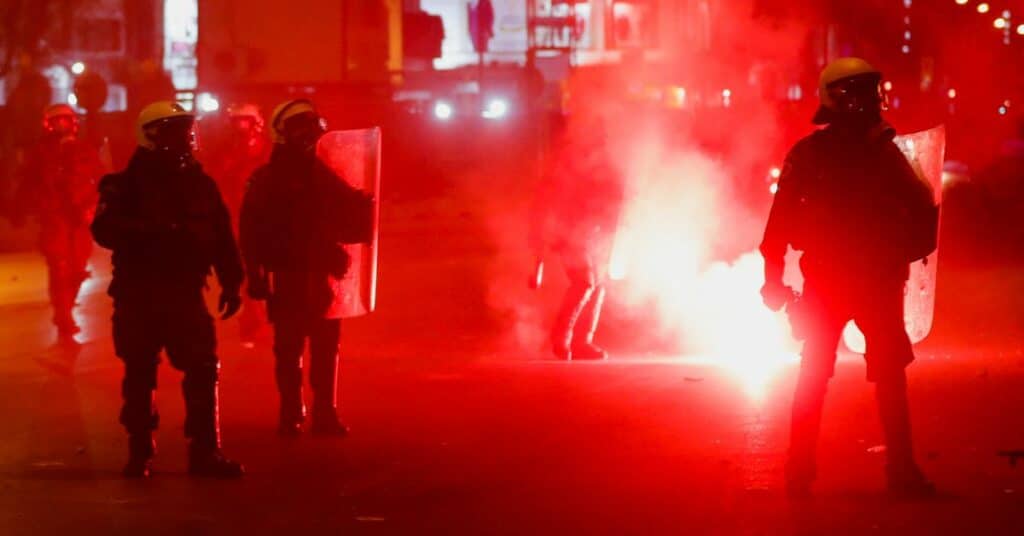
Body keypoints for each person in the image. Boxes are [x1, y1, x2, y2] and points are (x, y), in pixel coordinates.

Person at [760, 57, 939, 498]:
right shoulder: (852, 153)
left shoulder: (847, 152)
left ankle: (808, 473)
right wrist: (772, 278)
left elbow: (919, 207)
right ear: (837, 100)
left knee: (859, 374)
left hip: (858, 279)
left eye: (868, 92)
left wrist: (774, 280)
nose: (866, 102)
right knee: (841, 374)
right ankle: (875, 472)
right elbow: (779, 223)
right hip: (850, 279)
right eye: (856, 93)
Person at [91, 101, 245, 478]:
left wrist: (232, 279)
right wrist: (154, 231)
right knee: (140, 371)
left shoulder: (200, 183)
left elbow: (221, 234)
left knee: (203, 367)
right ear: (150, 135)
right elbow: (104, 230)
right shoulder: (124, 184)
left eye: (186, 129)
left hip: (184, 291)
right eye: (173, 130)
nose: (185, 138)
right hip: (139, 292)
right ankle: (140, 449)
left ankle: (205, 451)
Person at [239, 99, 373, 437]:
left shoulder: (323, 173)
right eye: (301, 126)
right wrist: (253, 275)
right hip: (288, 276)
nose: (310, 133)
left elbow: (347, 218)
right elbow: (252, 231)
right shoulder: (267, 179)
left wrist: (362, 207)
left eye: (313, 125)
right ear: (282, 133)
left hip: (322, 276)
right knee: (289, 349)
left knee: (326, 349)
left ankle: (324, 411)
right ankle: (290, 412)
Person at [530, 114, 623, 361]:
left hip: (593, 235)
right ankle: (561, 338)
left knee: (598, 282)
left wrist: (610, 244)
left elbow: (615, 205)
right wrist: (537, 259)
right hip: (568, 233)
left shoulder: (605, 166)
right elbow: (545, 203)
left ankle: (583, 342)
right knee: (585, 282)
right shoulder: (567, 164)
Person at [13, 104, 104, 341]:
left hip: (80, 218)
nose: (61, 126)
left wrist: (95, 205)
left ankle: (65, 310)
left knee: (77, 269)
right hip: (54, 218)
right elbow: (28, 183)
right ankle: (63, 317)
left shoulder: (84, 149)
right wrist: (19, 210)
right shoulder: (40, 153)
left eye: (65, 121)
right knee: (58, 266)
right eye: (57, 122)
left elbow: (100, 178)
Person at [207, 103, 271, 345]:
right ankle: (254, 325)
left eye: (245, 122)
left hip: (267, 222)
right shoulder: (227, 152)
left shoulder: (269, 151)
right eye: (236, 122)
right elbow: (218, 183)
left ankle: (268, 321)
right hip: (239, 222)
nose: (241, 127)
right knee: (246, 275)